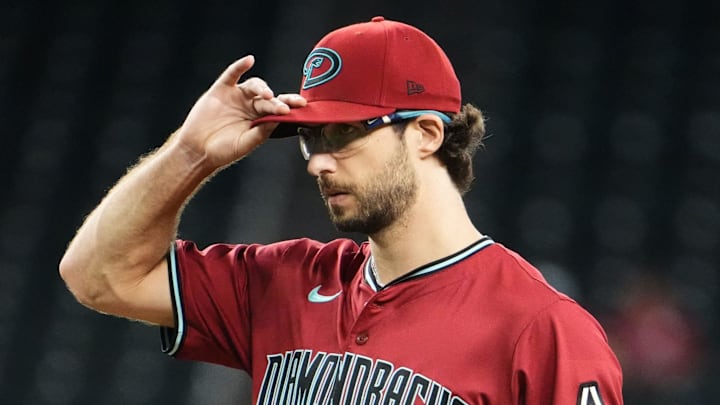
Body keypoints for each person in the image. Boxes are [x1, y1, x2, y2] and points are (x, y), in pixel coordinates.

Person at [60, 16, 623, 404]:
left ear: (426, 133)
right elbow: (97, 276)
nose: (317, 163)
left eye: (346, 133)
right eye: (313, 138)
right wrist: (189, 153)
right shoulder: (281, 280)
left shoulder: (542, 329)